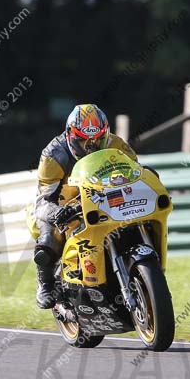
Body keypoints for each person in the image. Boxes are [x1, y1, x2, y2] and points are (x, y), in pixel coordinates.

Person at [30, 104, 139, 309]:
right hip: (64, 201)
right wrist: (58, 212)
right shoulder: (53, 155)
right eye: (83, 141)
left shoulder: (117, 145)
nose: (91, 147)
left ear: (105, 133)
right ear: (70, 135)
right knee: (48, 237)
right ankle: (45, 284)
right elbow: (45, 198)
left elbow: (136, 172)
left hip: (104, 195)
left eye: (97, 141)